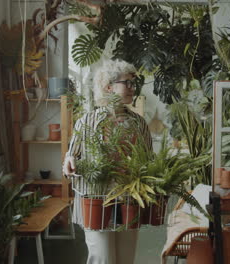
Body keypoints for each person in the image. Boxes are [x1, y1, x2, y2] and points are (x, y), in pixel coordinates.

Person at [62, 59, 152, 264]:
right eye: (127, 83)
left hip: (129, 199)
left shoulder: (139, 123)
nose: (132, 88)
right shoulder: (87, 122)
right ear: (108, 87)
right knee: (102, 258)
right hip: (96, 199)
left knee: (125, 258)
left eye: (133, 83)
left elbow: (148, 163)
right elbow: (71, 156)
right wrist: (68, 162)